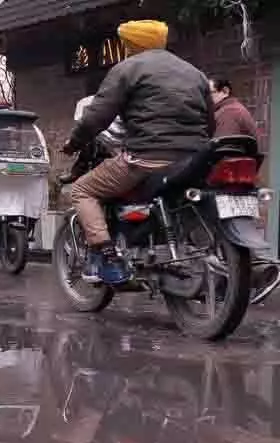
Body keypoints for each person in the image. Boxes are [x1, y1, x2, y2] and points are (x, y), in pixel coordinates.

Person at [63, 20, 214, 285]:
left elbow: (96, 117)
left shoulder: (127, 69)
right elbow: (210, 122)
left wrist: (74, 144)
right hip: (194, 159)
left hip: (147, 157)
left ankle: (107, 256)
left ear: (131, 45)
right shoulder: (195, 73)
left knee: (82, 190)